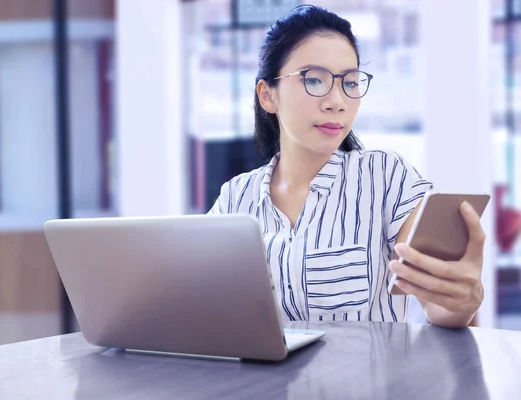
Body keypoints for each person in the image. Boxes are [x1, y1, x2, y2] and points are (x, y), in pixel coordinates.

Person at [208, 5, 485, 328]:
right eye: (314, 80)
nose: (337, 101)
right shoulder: (235, 197)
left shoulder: (386, 177)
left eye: (350, 83)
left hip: (371, 379)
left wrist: (461, 301)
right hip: (261, 380)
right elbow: (202, 305)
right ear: (268, 96)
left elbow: (439, 304)